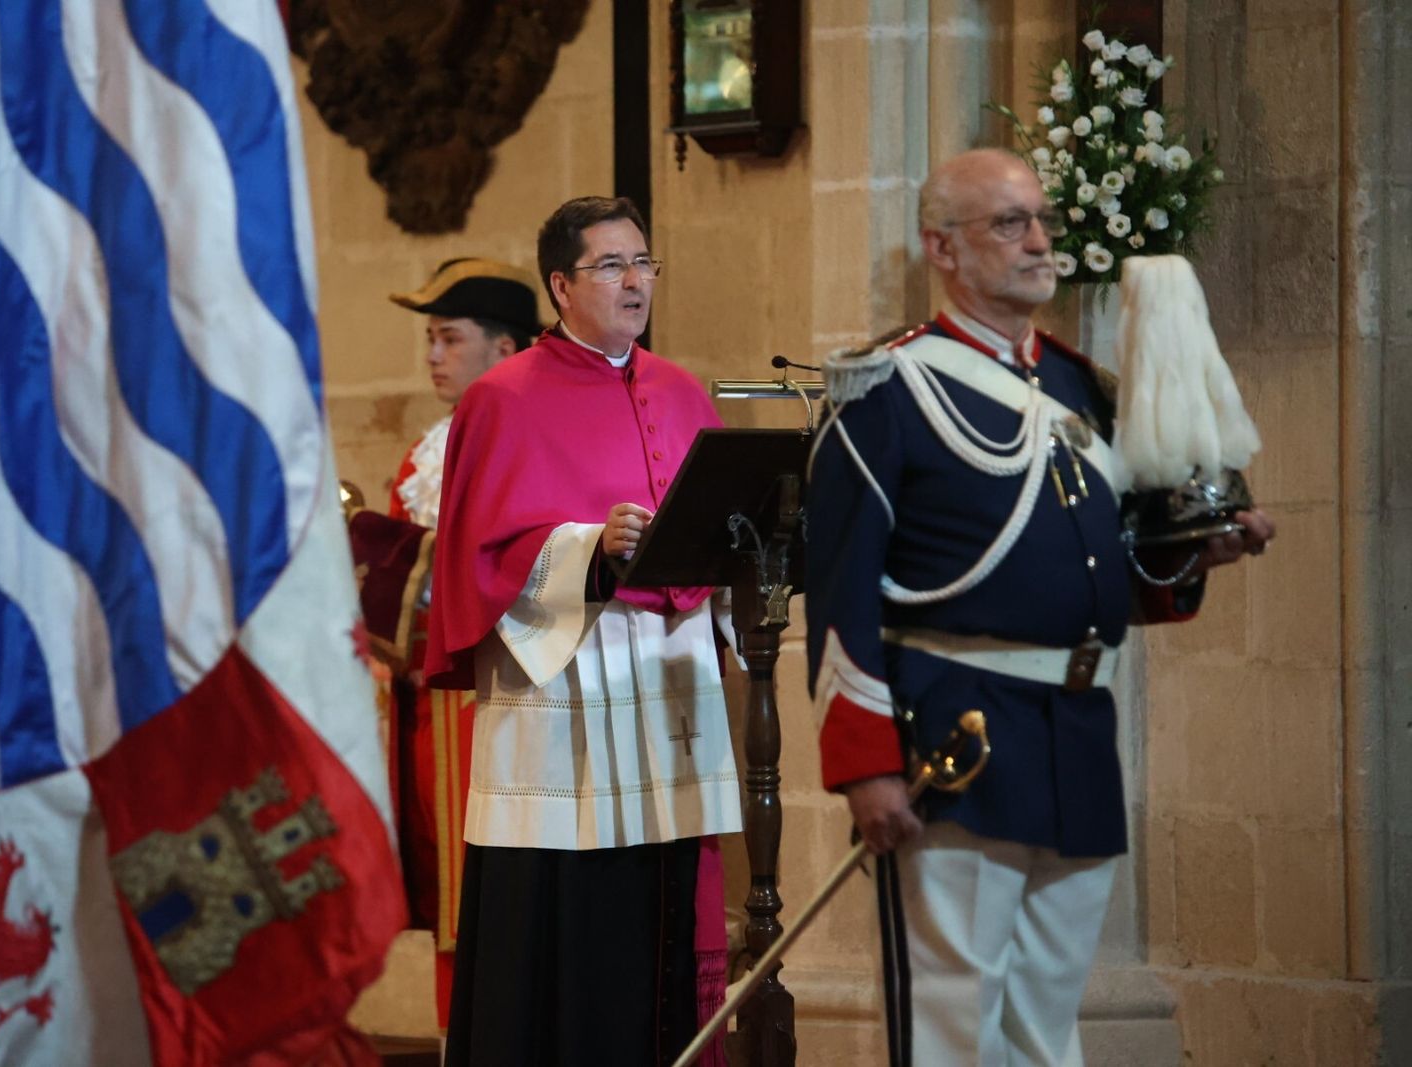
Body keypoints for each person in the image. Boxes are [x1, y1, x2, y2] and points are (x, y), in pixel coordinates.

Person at [804, 148, 1275, 1065]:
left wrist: (1196, 555)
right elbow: (840, 588)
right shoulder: (890, 390)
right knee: (954, 1020)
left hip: (1072, 733)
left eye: (1041, 220)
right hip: (957, 732)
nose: (1038, 242)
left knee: (1046, 1026)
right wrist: (865, 764)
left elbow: (1106, 578)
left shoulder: (1079, 390)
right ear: (942, 247)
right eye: (1008, 223)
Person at [424, 196, 740, 1067]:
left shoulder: (679, 389)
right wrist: (588, 548)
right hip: (565, 680)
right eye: (611, 265)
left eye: (643, 262)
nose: (634, 280)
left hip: (671, 679)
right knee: (569, 913)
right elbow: (478, 556)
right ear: (560, 285)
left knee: (666, 901)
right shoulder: (500, 399)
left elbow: (720, 530)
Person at [353, 258, 541, 1029]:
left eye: (448, 337)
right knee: (450, 908)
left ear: (505, 348)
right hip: (435, 709)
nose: (432, 355)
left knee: (512, 906)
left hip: (511, 700)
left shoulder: (532, 432)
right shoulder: (425, 452)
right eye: (430, 338)